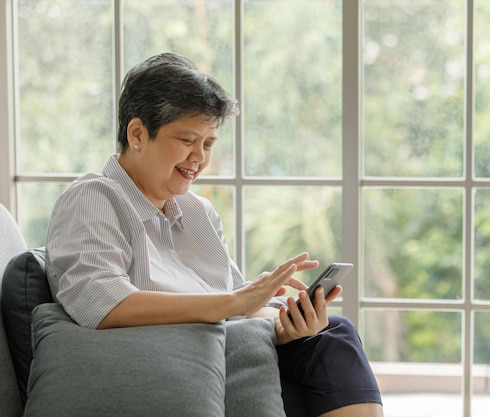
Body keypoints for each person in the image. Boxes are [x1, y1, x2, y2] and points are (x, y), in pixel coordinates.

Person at [45, 52, 383, 417]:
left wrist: (287, 324)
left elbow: (241, 310)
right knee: (333, 345)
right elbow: (101, 302)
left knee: (331, 333)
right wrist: (234, 303)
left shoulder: (198, 212)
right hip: (182, 365)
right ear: (138, 133)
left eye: (208, 144)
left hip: (231, 353)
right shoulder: (94, 198)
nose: (199, 158)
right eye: (188, 140)